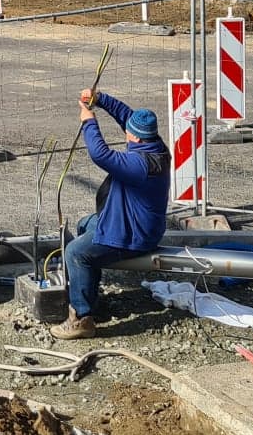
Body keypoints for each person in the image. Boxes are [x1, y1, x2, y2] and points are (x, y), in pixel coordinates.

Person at [55, 89, 170, 339]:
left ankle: (81, 318)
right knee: (86, 224)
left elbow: (101, 154)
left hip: (133, 234)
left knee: (75, 253)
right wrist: (100, 99)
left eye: (129, 132)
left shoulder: (139, 165)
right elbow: (126, 116)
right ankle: (90, 295)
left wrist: (88, 120)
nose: (125, 131)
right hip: (131, 222)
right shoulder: (155, 146)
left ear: (136, 139)